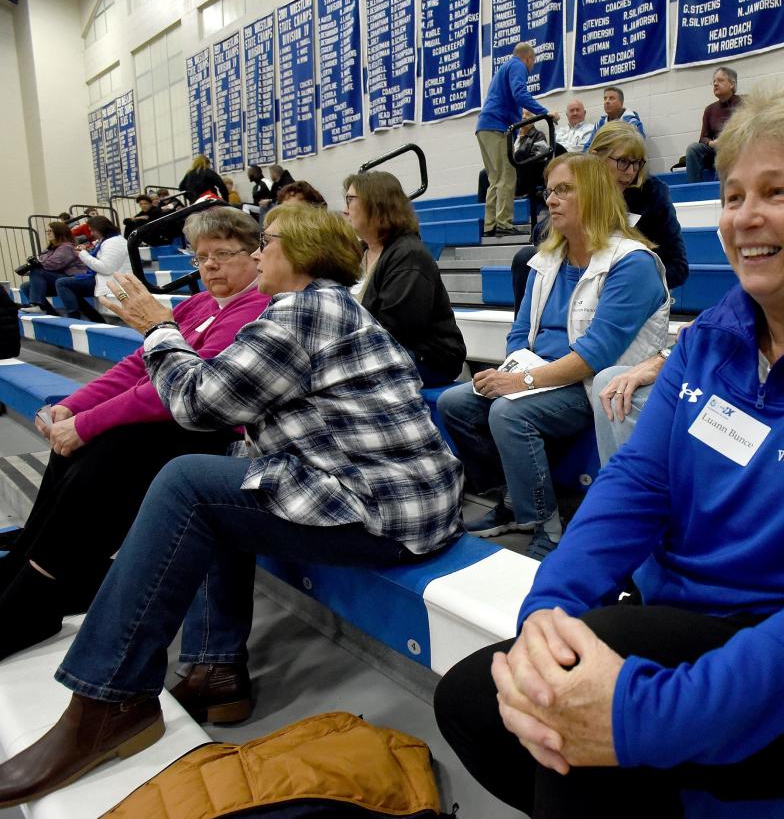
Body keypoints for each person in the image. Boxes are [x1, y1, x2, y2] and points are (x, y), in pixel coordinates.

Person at [434, 87, 784, 818]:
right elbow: (633, 489)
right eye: (732, 193)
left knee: (581, 742)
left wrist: (634, 717)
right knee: (471, 701)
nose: (744, 217)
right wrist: (548, 614)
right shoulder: (713, 337)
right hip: (691, 621)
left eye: (777, 192)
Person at [0, 205, 464, 807]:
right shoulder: (317, 307)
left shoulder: (303, 313)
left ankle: (106, 700)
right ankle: (213, 669)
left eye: (264, 243)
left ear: (295, 253)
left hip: (385, 512)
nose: (255, 254)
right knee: (219, 485)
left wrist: (157, 327)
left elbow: (200, 401)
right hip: (391, 496)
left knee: (188, 481)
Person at [0, 207, 270, 661]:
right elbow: (139, 366)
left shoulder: (256, 306)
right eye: (200, 257)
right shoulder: (200, 303)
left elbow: (186, 390)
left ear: (255, 255)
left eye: (223, 254)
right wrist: (74, 406)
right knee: (74, 452)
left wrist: (86, 424)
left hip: (219, 426)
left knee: (113, 450)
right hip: (182, 417)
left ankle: (39, 594)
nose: (210, 266)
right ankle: (30, 566)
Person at [439, 153, 669, 560]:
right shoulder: (547, 260)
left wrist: (519, 384)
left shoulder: (632, 264)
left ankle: (546, 525)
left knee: (508, 413)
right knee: (453, 403)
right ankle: (510, 495)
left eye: (564, 190)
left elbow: (594, 356)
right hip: (538, 375)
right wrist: (513, 369)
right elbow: (519, 331)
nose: (552, 200)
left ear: (596, 195)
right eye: (550, 191)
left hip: (590, 385)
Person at [511, 120, 688, 308]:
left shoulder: (652, 194)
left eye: (637, 163)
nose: (631, 172)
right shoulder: (577, 187)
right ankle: (529, 333)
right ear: (595, 157)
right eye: (623, 161)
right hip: (576, 282)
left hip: (624, 287)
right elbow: (542, 234)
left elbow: (678, 267)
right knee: (527, 259)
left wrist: (626, 273)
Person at [343, 170, 465, 386]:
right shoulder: (361, 252)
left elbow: (397, 330)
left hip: (428, 358)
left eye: (350, 200)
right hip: (381, 350)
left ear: (376, 204)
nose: (345, 209)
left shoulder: (408, 255)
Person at [476, 42, 558, 238]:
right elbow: (520, 93)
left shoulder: (504, 68)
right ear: (529, 58)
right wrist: (546, 113)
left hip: (484, 126)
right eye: (533, 62)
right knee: (507, 175)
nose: (531, 67)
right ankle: (503, 223)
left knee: (494, 179)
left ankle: (490, 224)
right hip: (496, 126)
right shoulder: (517, 66)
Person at [685, 66, 743, 183]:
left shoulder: (744, 103)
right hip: (716, 150)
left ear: (732, 84)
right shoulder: (710, 110)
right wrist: (712, 143)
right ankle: (694, 189)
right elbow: (703, 138)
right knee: (693, 149)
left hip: (738, 150)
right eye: (714, 81)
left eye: (720, 80)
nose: (715, 84)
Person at [18, 222, 87, 315]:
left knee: (37, 271)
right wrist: (34, 264)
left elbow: (54, 264)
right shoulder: (49, 249)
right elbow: (43, 263)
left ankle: (37, 305)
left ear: (60, 232)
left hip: (71, 279)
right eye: (47, 231)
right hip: (58, 279)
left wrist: (35, 264)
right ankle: (49, 313)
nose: (48, 233)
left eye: (51, 231)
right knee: (25, 286)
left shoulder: (66, 247)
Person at [70, 216, 133, 315]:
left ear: (101, 229)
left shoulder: (113, 242)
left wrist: (83, 254)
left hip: (113, 280)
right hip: (106, 278)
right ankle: (90, 317)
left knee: (63, 283)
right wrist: (85, 251)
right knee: (64, 283)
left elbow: (106, 268)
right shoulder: (108, 240)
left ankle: (81, 317)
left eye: (92, 231)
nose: (91, 234)